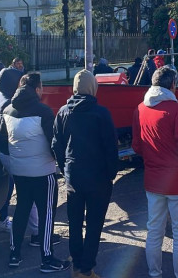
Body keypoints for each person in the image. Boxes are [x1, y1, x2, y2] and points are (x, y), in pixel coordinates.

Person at [1, 73, 70, 273]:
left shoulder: (7, 110)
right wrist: (62, 164)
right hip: (43, 171)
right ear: (37, 89)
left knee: (22, 209)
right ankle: (47, 257)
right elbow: (54, 142)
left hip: (19, 170)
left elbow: (2, 140)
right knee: (47, 213)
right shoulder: (44, 112)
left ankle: (14, 253)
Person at [132, 66, 178, 278]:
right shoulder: (176, 110)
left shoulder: (140, 108)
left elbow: (137, 146)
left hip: (153, 181)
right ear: (172, 85)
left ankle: (154, 273)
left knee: (154, 231)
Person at [52, 70, 118, 278]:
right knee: (94, 223)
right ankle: (87, 268)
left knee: (74, 221)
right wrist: (111, 173)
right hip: (98, 177)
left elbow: (57, 144)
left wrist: (65, 168)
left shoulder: (63, 112)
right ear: (93, 88)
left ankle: (77, 263)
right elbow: (111, 147)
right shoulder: (101, 113)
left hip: (74, 175)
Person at [0, 67, 25, 233]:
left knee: (7, 186)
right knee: (18, 188)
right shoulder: (7, 103)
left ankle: (1, 217)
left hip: (0, 149)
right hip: (7, 150)